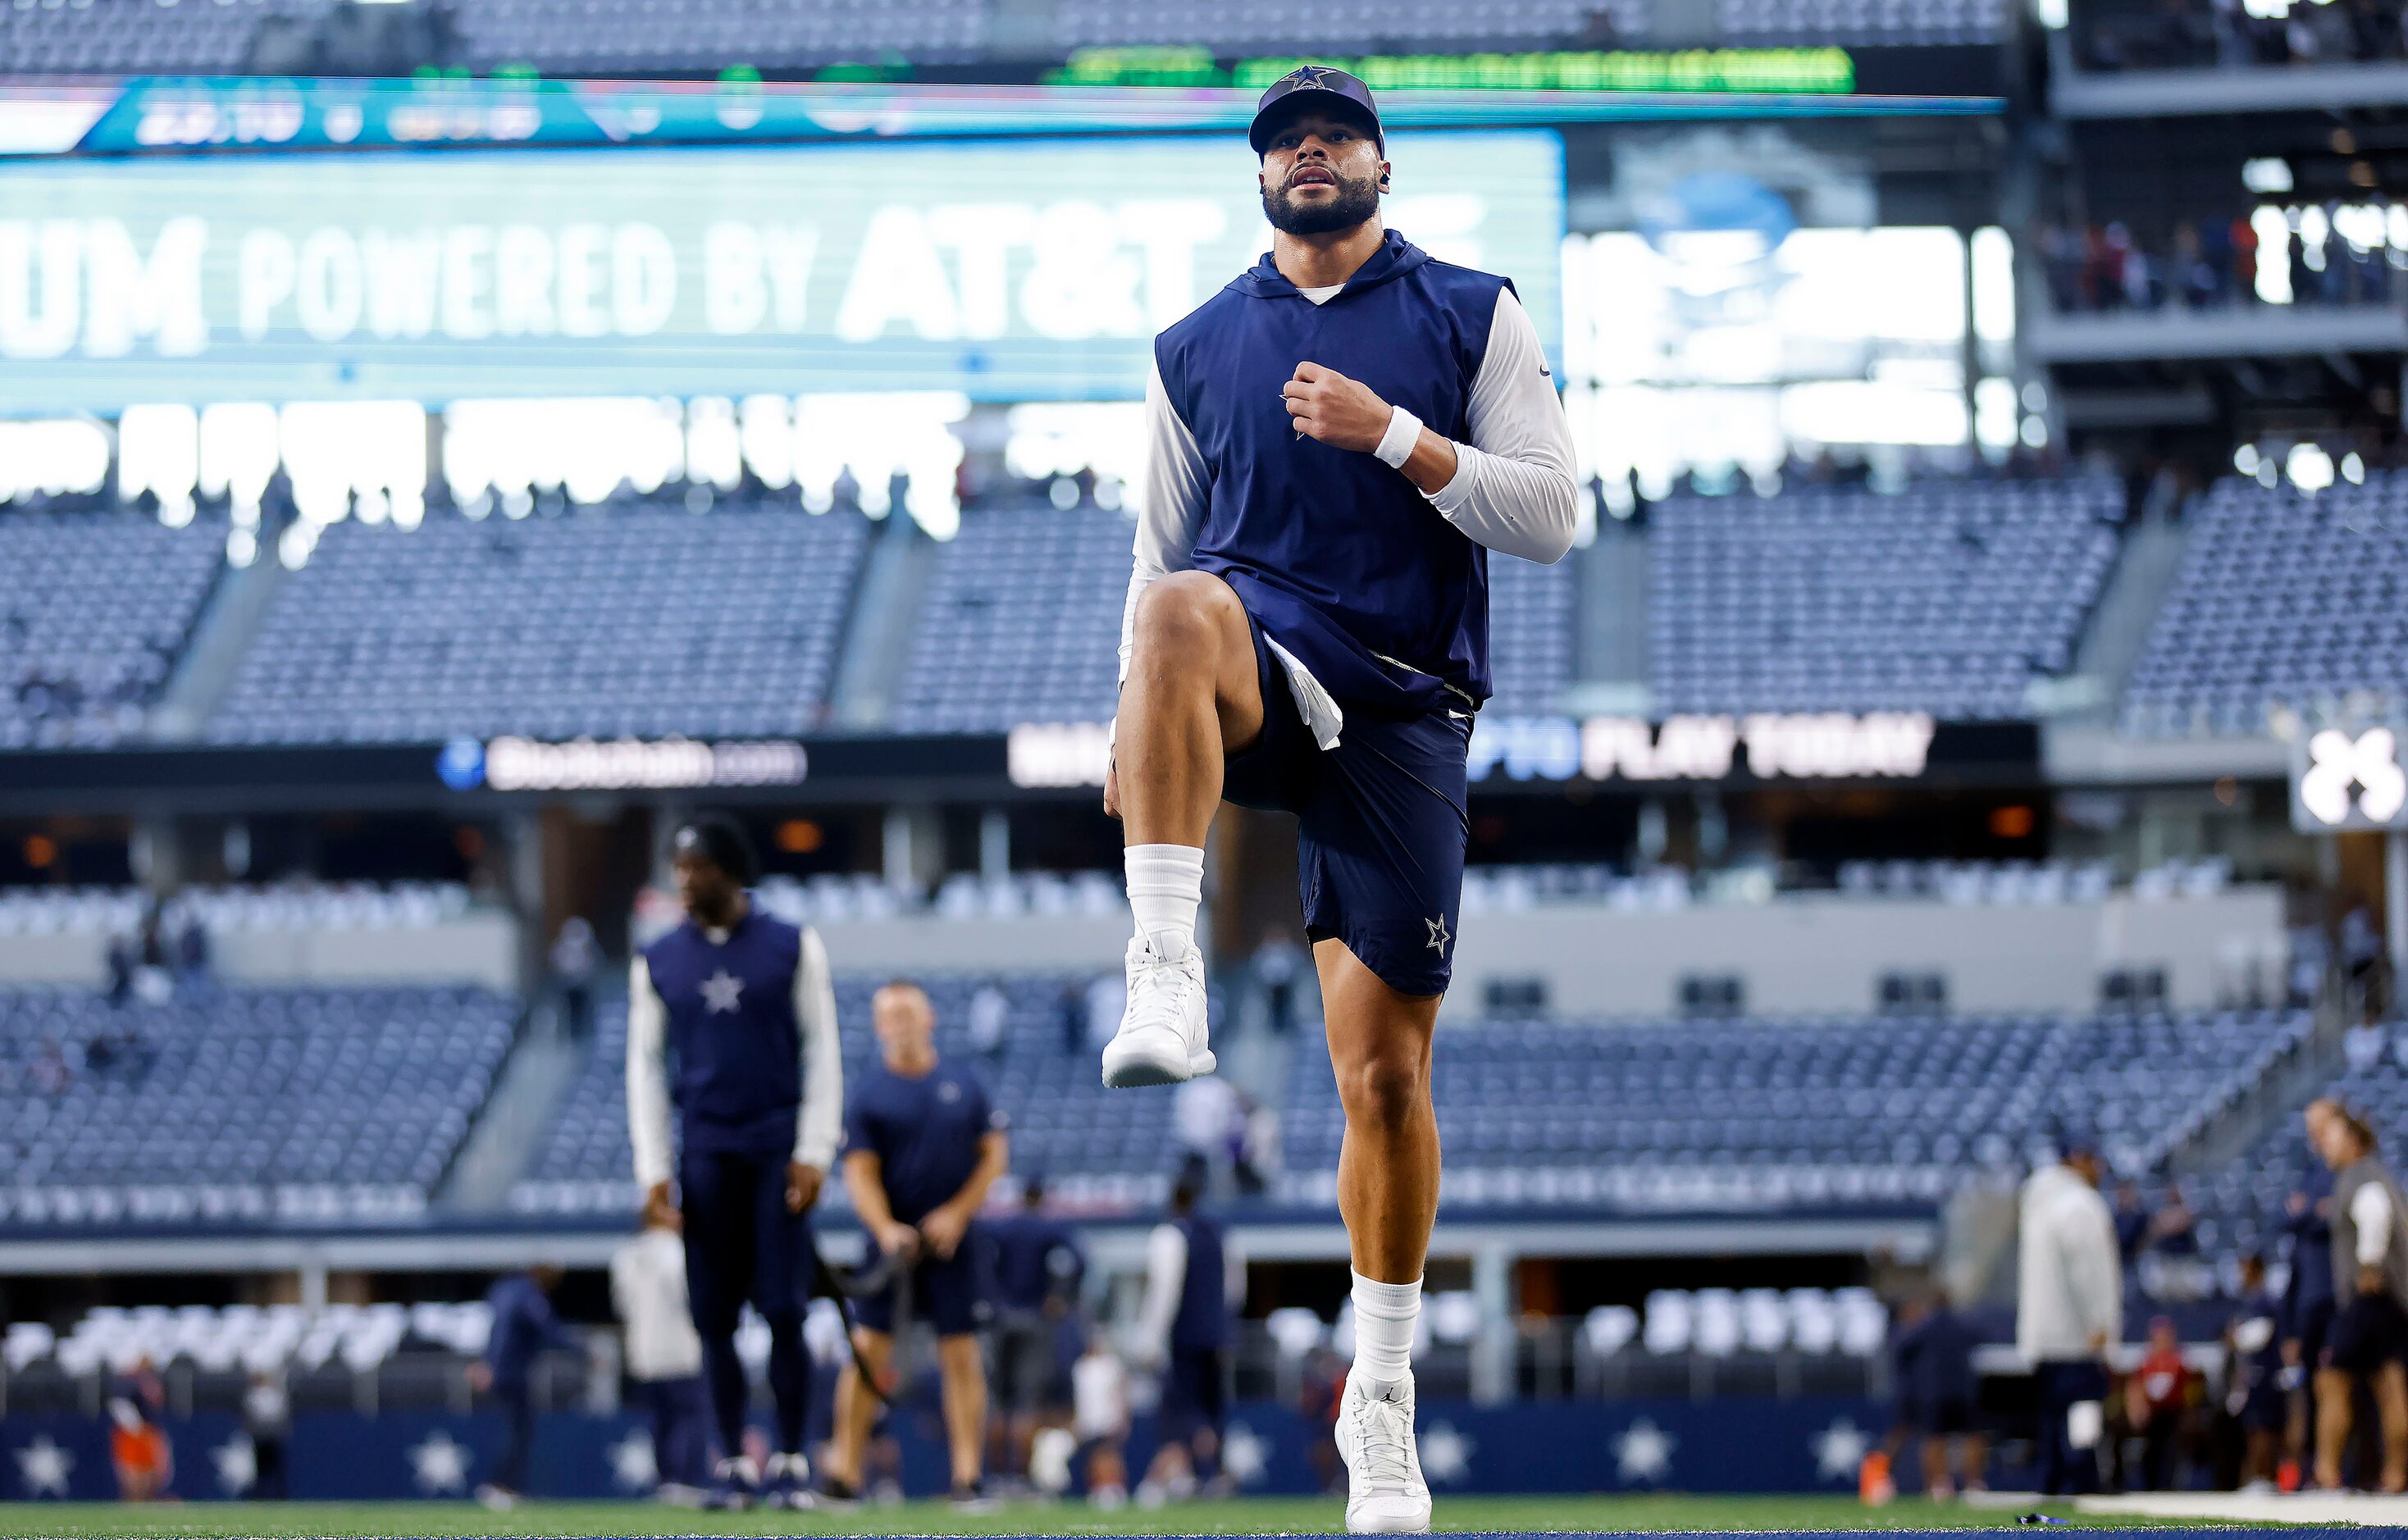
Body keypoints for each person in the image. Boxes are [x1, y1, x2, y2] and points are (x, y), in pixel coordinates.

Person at [1098, 62, 1577, 1537]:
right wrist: (1129, 740)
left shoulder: (1468, 310)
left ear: (1381, 165)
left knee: (1382, 1078)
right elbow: (1149, 580)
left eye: (1335, 136)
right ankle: (1163, 962)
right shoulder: (1193, 347)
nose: (1310, 155)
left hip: (1401, 700)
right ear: (1258, 179)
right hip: (1248, 646)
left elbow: (1555, 515)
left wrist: (1393, 435)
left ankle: (1381, 1401)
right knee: (1177, 608)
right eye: (1285, 143)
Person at [627, 815, 844, 1509]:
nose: (685, 882)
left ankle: (789, 1460)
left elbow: (823, 1051)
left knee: (784, 1309)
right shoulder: (658, 959)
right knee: (713, 1318)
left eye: (698, 868)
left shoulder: (790, 946)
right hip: (707, 1151)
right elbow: (645, 1070)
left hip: (778, 1148)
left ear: (731, 869)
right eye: (679, 868)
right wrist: (653, 1169)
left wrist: (814, 1151)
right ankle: (732, 1464)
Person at [827, 980, 1010, 1508]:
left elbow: (993, 1155)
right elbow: (860, 1173)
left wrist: (956, 1214)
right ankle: (844, 1472)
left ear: (929, 1018)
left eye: (911, 1011)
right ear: (880, 1026)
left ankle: (968, 1476)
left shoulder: (963, 1083)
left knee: (960, 1351)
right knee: (867, 1351)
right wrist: (886, 1229)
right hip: (891, 1244)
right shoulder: (869, 1093)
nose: (903, 1021)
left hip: (954, 1242)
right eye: (892, 1014)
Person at [2018, 1142, 2122, 1497]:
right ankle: (2081, 1483)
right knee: (2082, 1416)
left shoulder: (2039, 1205)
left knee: (2052, 1419)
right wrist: (2099, 1321)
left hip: (2044, 1339)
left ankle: (2051, 1484)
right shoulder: (2078, 1206)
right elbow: (2087, 1271)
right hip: (2076, 1337)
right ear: (2078, 1161)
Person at [2313, 1104, 2408, 1492]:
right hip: (2392, 1301)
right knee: (2389, 1382)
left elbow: (2374, 1213)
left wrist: (2368, 1264)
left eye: (2332, 1138)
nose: (2324, 1147)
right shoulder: (2380, 1175)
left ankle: (2326, 1473)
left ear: (2354, 1141)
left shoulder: (2361, 1176)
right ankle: (2396, 1475)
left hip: (2369, 1298)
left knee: (2331, 1380)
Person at [1134, 1164, 1235, 1504]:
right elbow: (1235, 1286)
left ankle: (1193, 1471)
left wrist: (1150, 1338)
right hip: (1217, 1334)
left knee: (1185, 1409)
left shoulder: (1171, 1234)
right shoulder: (1221, 1234)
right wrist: (1223, 1322)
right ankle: (1213, 1473)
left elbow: (1165, 1290)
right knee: (1212, 1406)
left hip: (1186, 1335)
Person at [985, 1175, 1087, 1483]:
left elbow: (982, 1257)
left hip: (1003, 1318)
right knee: (1026, 1401)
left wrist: (992, 1294)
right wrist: (1061, 1295)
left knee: (1000, 1402)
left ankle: (999, 1475)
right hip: (1033, 1318)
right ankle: (1021, 1475)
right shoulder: (1047, 1228)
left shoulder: (1004, 1227)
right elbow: (1080, 1259)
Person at [611, 1211, 711, 1505]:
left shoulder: (626, 1256)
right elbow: (694, 1299)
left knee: (659, 1420)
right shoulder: (679, 1252)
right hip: (682, 1349)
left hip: (644, 1353)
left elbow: (621, 1305)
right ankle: (685, 1479)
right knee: (688, 1416)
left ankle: (667, 1479)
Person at [473, 1264, 576, 1509]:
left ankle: (505, 1486)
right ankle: (501, 1486)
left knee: (515, 1430)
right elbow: (549, 1331)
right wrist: (582, 1350)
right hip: (513, 1373)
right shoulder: (528, 1296)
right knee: (516, 1431)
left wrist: (486, 1362)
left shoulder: (504, 1292)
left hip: (503, 1371)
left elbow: (494, 1332)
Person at [2284, 1100, 2342, 1486]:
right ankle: (2309, 1471)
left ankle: (2333, 1470)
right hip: (2308, 1297)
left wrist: (2308, 1212)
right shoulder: (2311, 1172)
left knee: (2335, 1383)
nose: (2313, 1133)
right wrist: (2310, 1212)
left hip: (2336, 1296)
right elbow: (2287, 1217)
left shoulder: (2342, 1170)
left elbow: (2329, 1215)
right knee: (2308, 1389)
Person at [1887, 1290, 1984, 1500]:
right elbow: (1979, 1336)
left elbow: (1901, 1349)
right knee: (1971, 1436)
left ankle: (1939, 1484)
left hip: (1935, 1392)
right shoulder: (1962, 1325)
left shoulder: (1924, 1327)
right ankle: (1973, 1484)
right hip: (1963, 1390)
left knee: (1935, 1438)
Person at [2227, 1253, 2285, 1492]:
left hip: (2265, 1373)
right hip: (2254, 1373)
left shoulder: (2263, 1302)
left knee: (2263, 1428)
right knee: (2254, 1427)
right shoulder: (2251, 1301)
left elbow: (2256, 1337)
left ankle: (2266, 1476)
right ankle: (2259, 1476)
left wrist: (2235, 1336)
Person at [1069, 1328, 1133, 1508]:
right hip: (1088, 1422)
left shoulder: (1112, 1364)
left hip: (1108, 1420)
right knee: (1092, 1461)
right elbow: (1079, 1397)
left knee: (1109, 1458)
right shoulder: (1081, 1366)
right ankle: (1096, 1490)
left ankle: (1114, 1489)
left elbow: (1120, 1392)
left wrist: (1122, 1417)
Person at [2126, 1315, 2191, 1491]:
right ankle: (2150, 1486)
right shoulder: (2147, 1360)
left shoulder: (2179, 1360)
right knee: (2151, 1451)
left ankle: (2168, 1486)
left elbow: (2189, 1388)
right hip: (2152, 1415)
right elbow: (2136, 1385)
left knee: (2170, 1452)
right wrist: (2136, 1409)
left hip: (2173, 1413)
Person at [107, 1358, 171, 1503]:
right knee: (133, 1471)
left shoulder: (150, 1380)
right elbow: (117, 1404)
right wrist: (134, 1426)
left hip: (149, 1431)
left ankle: (145, 1502)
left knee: (151, 1472)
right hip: (134, 1432)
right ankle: (133, 1502)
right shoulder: (128, 1382)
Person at [242, 1369, 290, 1501]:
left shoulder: (274, 1395)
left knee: (276, 1469)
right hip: (260, 1437)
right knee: (261, 1470)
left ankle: (280, 1497)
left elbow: (280, 1414)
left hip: (272, 1436)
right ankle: (261, 1497)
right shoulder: (253, 1395)